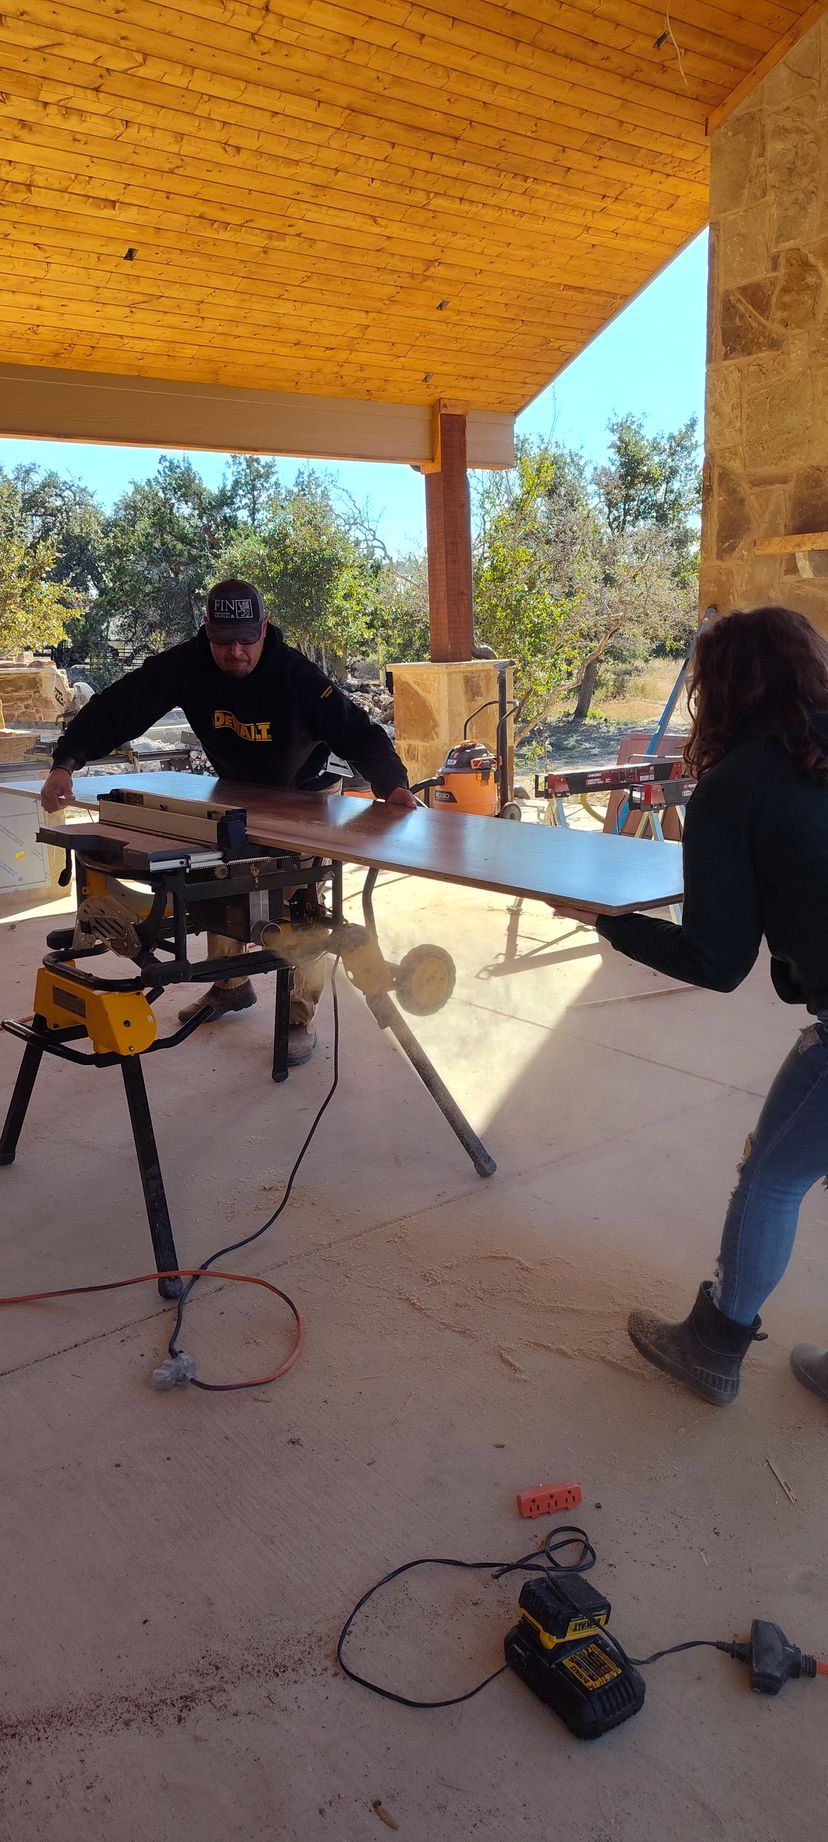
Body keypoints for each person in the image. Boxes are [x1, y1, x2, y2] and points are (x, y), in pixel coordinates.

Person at [553, 605, 828, 1410]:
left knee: (773, 1181)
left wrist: (611, 923)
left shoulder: (736, 785)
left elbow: (716, 960)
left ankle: (712, 1347)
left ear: (721, 690)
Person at [40, 579, 417, 1064]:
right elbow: (118, 708)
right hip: (238, 792)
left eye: (246, 640)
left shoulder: (296, 675)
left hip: (305, 795)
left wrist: (394, 787)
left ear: (264, 628)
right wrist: (65, 762)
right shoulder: (187, 664)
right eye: (224, 642)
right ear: (207, 632)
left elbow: (360, 734)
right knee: (222, 876)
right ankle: (230, 986)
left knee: (298, 908)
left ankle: (298, 1015)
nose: (236, 652)